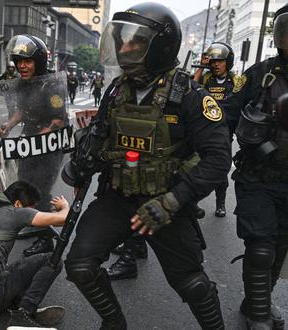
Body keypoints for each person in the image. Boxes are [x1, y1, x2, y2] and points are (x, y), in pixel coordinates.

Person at [63, 4, 230, 328]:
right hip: (118, 197)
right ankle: (114, 322)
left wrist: (172, 201)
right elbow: (100, 137)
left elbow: (218, 159)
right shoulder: (116, 90)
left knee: (191, 284)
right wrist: (82, 161)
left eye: (134, 43)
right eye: (122, 42)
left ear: (160, 47)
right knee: (80, 265)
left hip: (166, 201)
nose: (124, 49)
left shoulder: (190, 96)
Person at [226, 4, 288, 329]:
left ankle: (256, 300)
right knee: (261, 246)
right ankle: (259, 316)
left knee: (280, 248)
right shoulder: (259, 74)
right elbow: (227, 114)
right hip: (258, 176)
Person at [0, 181, 67, 329]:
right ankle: (23, 316)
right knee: (52, 261)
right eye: (32, 209)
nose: (33, 212)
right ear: (17, 203)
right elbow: (64, 219)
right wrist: (64, 206)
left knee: (14, 267)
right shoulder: (15, 212)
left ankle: (20, 305)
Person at [0, 35, 67, 258]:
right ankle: (35, 222)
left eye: (27, 61)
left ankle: (46, 239)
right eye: (19, 61)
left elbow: (59, 120)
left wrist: (39, 138)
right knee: (26, 185)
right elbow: (22, 111)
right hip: (29, 143)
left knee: (42, 190)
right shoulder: (25, 85)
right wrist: (8, 126)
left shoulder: (53, 85)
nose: (22, 66)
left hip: (48, 146)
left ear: (38, 61)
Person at [193, 42, 240, 218]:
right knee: (195, 167)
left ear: (228, 62)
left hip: (223, 132)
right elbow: (187, 88)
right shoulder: (205, 79)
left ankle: (220, 203)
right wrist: (200, 68)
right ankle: (193, 202)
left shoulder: (235, 81)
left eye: (220, 61)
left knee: (220, 168)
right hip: (201, 131)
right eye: (213, 61)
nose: (216, 65)